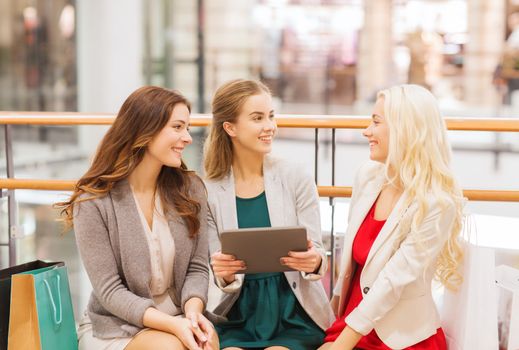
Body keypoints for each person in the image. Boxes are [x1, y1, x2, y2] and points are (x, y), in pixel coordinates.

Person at [56, 86, 217, 350]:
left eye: (187, 127)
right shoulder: (94, 200)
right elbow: (110, 291)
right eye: (177, 127)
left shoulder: (190, 189)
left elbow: (197, 268)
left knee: (206, 341)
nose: (187, 137)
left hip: (179, 315)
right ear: (146, 129)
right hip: (116, 326)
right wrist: (174, 326)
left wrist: (192, 314)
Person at [320, 84, 464, 350]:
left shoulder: (437, 203)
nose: (366, 131)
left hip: (401, 338)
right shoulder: (368, 175)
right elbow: (351, 269)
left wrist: (342, 344)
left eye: (376, 122)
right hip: (351, 323)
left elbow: (393, 281)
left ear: (404, 129)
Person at [203, 79, 334, 350]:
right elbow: (218, 273)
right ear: (230, 128)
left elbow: (319, 255)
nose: (269, 127)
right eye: (257, 118)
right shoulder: (209, 191)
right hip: (238, 313)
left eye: (271, 116)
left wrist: (313, 262)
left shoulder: (296, 176)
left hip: (294, 310)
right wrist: (225, 273)